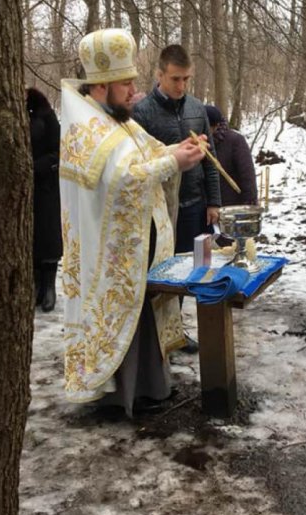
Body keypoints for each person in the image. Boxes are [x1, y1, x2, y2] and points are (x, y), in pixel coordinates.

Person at [60, 28, 205, 419]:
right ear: (103, 85)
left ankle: (148, 388)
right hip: (108, 249)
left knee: (141, 313)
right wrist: (174, 163)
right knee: (124, 314)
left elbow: (148, 150)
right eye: (126, 82)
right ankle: (118, 396)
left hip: (132, 242)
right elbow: (123, 178)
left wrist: (180, 150)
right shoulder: (85, 126)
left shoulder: (116, 118)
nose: (132, 89)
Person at [133, 44, 221, 353]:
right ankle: (152, 338)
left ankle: (176, 332)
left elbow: (210, 160)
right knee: (159, 275)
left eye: (186, 79)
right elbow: (138, 165)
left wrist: (214, 203)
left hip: (195, 206)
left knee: (186, 274)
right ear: (159, 75)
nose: (181, 86)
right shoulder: (141, 114)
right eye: (175, 79)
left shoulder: (197, 109)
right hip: (159, 211)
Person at [27, 87, 62, 312]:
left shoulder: (46, 115)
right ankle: (36, 283)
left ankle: (49, 286)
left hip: (46, 185)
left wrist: (34, 167)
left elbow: (58, 150)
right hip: (23, 188)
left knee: (47, 235)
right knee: (30, 237)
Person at [206, 105, 258, 206]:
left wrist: (250, 200)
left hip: (232, 203)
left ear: (216, 125)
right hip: (207, 206)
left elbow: (247, 172)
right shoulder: (200, 143)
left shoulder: (235, 141)